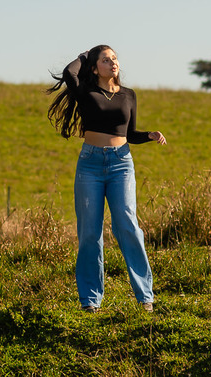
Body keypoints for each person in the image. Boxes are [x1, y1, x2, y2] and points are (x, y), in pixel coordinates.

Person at [47, 45, 167, 313]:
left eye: (114, 58)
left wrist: (149, 135)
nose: (112, 63)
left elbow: (130, 133)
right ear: (94, 67)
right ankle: (90, 301)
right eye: (105, 60)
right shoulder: (86, 92)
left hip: (121, 164)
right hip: (89, 164)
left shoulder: (128, 95)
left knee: (127, 225)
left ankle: (145, 296)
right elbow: (69, 73)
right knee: (90, 232)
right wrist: (83, 56)